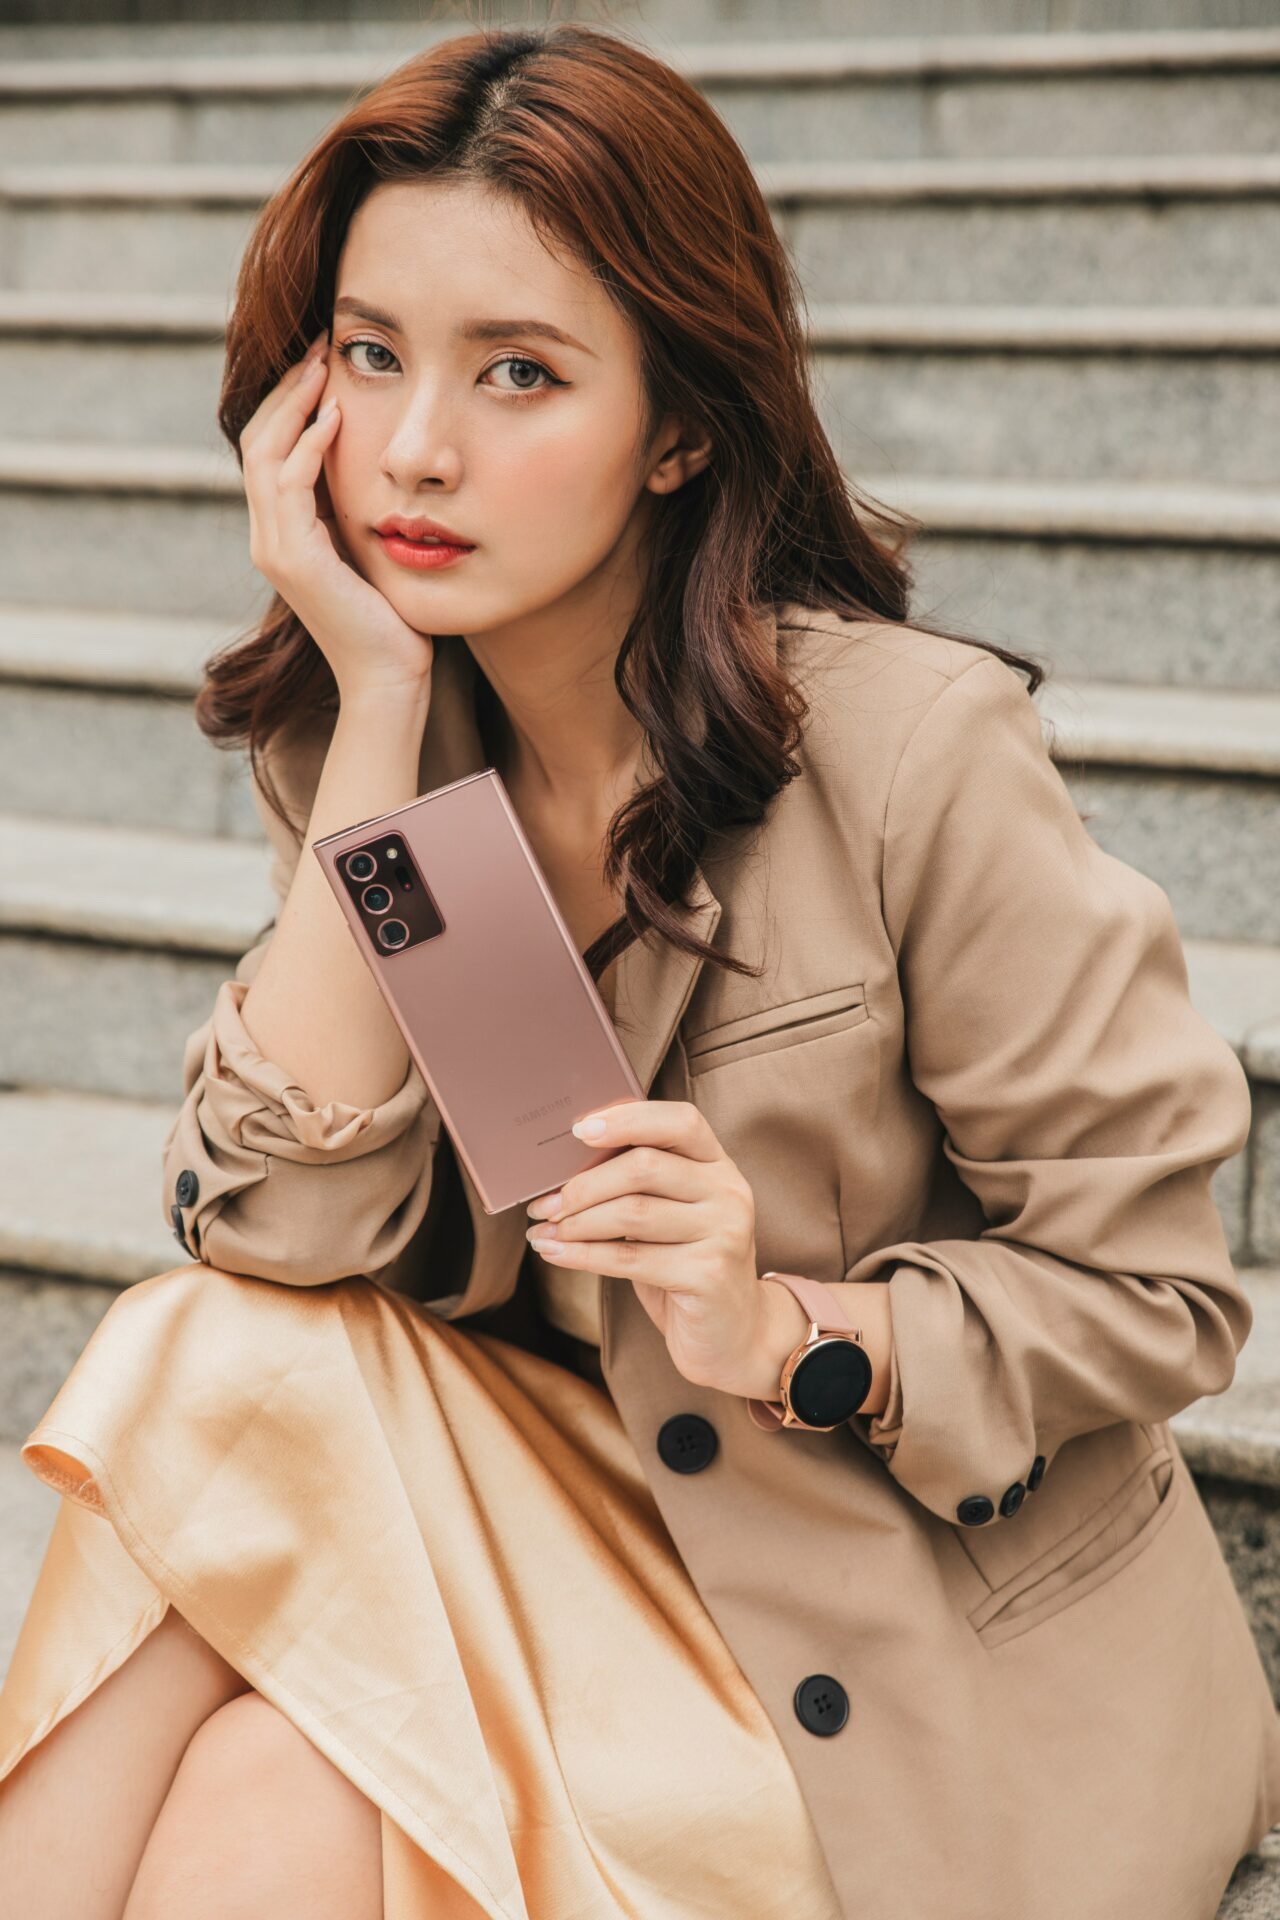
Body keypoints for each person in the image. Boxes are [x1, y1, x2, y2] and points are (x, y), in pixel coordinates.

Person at [1, 23, 1276, 1920]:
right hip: (555, 1530)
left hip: (907, 1670)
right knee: (233, 1467)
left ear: (680, 422)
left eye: (520, 372)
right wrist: (370, 713)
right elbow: (281, 1232)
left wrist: (786, 1328)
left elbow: (1161, 1290)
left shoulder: (907, 753)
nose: (417, 449)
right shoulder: (395, 759)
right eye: (370, 354)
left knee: (273, 1749)